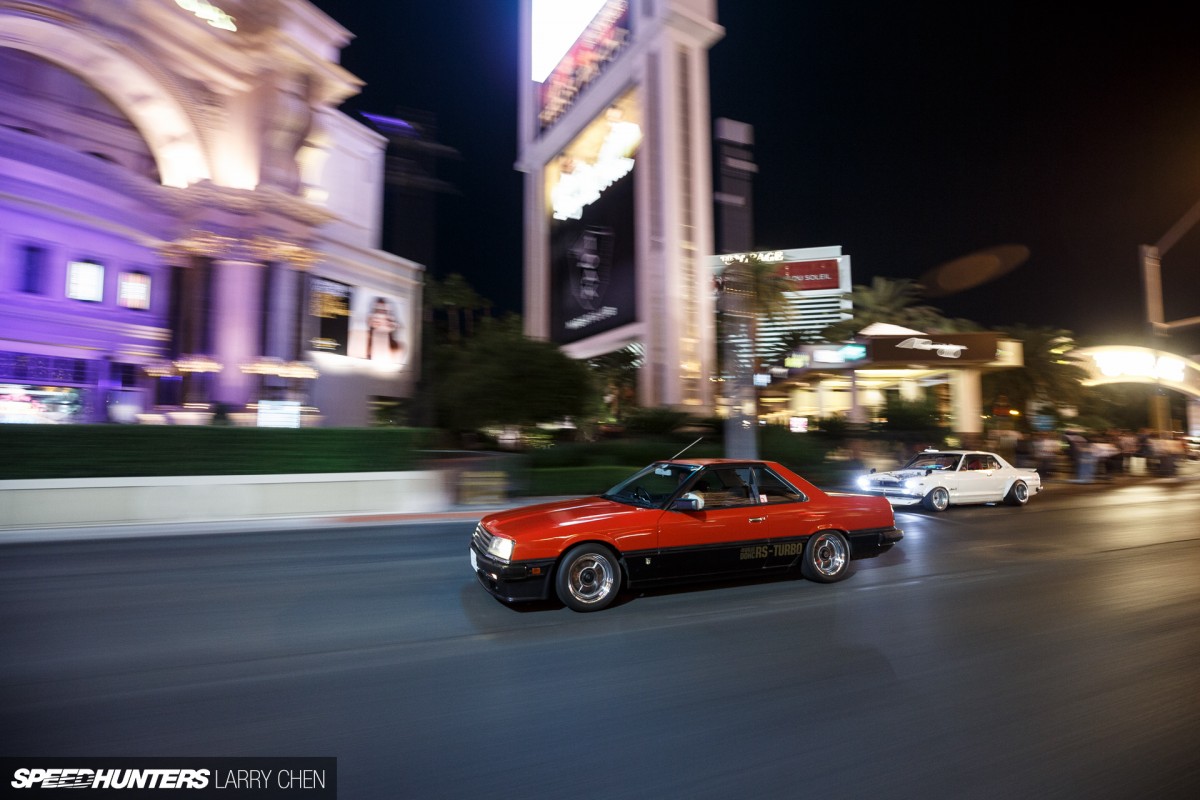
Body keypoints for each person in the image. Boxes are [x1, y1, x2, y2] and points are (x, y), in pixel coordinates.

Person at [365, 296, 403, 362]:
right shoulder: (362, 337)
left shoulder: (397, 347)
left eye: (384, 312)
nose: (380, 316)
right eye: (376, 311)